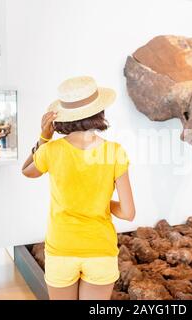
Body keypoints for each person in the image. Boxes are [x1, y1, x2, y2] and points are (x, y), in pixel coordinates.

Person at [22, 76, 135, 300]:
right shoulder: (115, 151)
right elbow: (129, 213)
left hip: (61, 249)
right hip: (100, 250)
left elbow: (27, 170)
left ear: (64, 115)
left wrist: (44, 137)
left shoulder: (51, 150)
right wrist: (100, 202)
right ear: (99, 112)